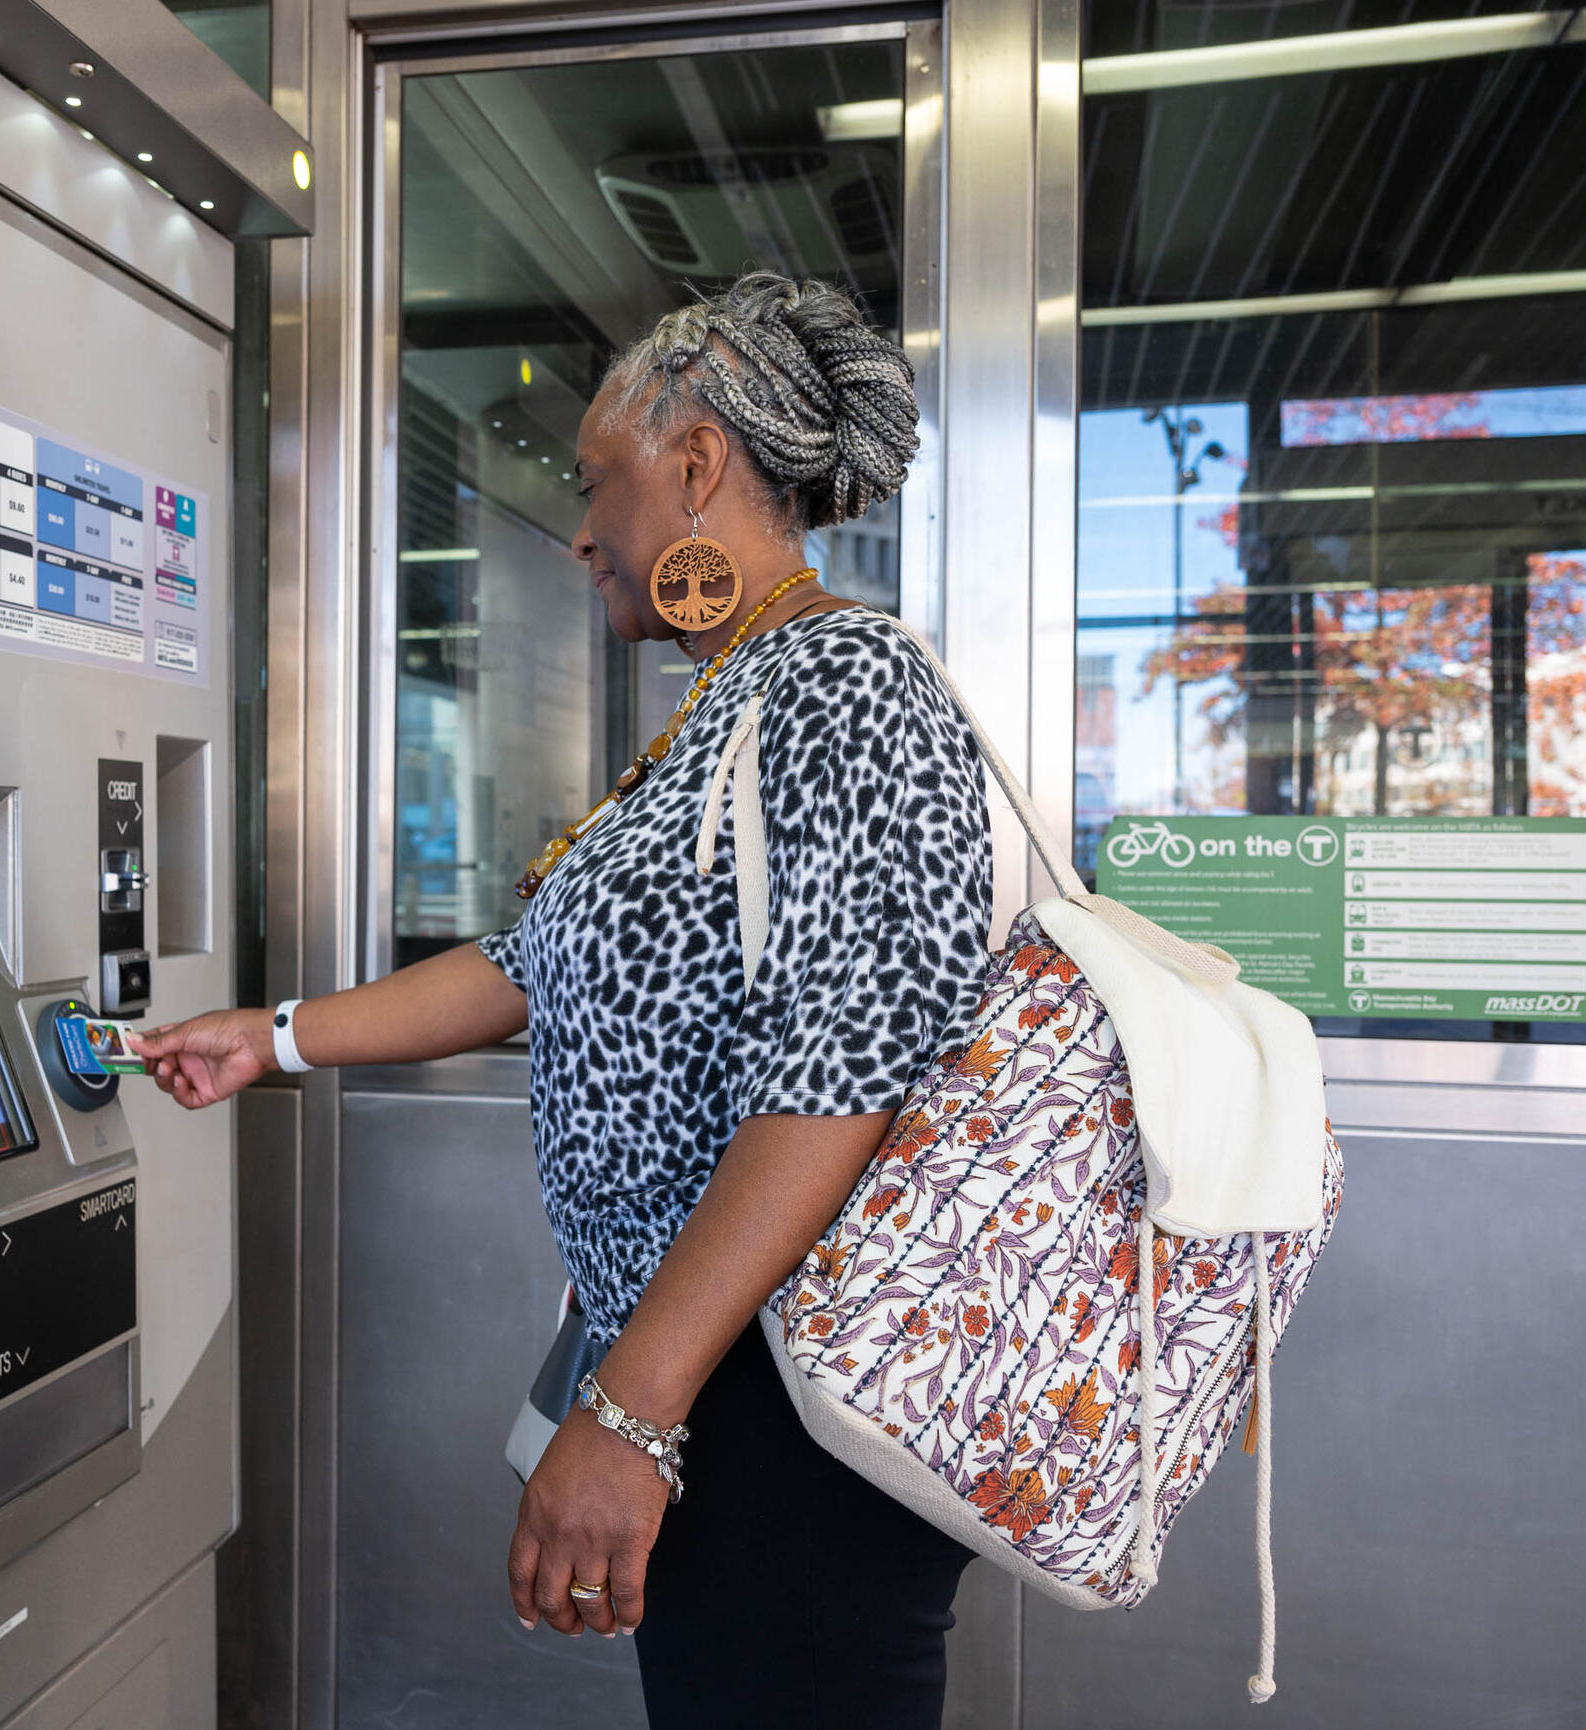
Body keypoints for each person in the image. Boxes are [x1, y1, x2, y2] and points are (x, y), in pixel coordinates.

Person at [131, 272, 994, 1727]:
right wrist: (270, 1036)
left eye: (601, 480)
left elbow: (843, 1076)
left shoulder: (844, 686)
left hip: (781, 1404)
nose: (584, 529)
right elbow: (528, 968)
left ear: (698, 465)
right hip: (714, 1376)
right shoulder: (731, 706)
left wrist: (636, 1407)